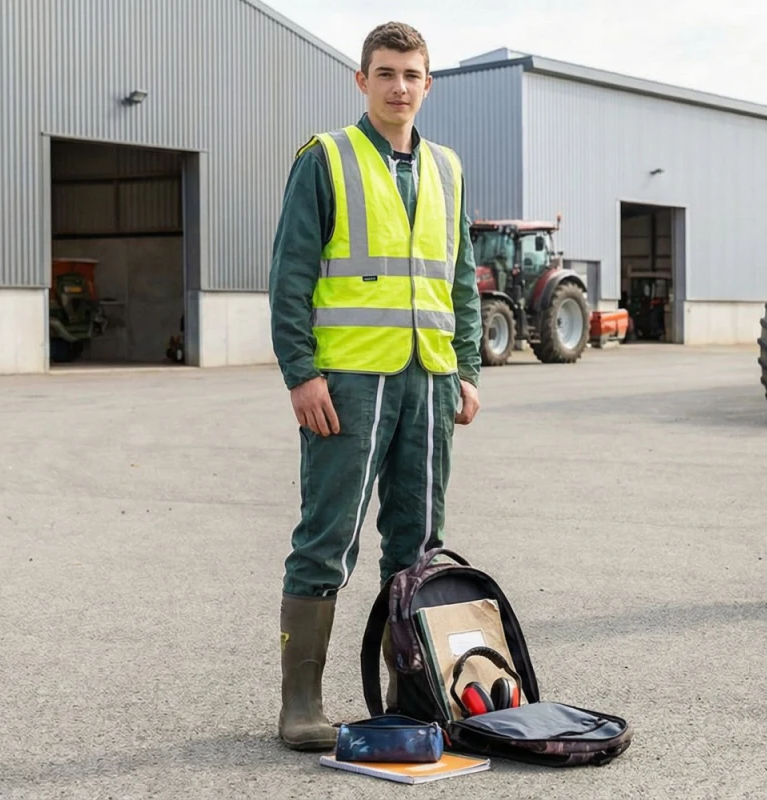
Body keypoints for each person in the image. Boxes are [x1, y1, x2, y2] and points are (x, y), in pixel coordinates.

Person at [267, 22, 485, 750]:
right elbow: (290, 276)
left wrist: (467, 369)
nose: (398, 87)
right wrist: (302, 373)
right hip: (349, 384)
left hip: (428, 378)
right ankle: (301, 704)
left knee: (418, 545)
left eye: (411, 75)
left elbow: (461, 281)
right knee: (327, 539)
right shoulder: (326, 158)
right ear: (362, 81)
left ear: (428, 85)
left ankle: (411, 692)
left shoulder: (449, 170)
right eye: (385, 73)